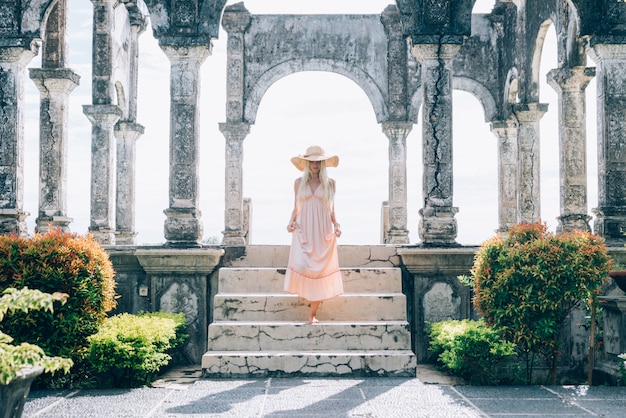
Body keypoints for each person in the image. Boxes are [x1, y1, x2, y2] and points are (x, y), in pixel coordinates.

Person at [284, 145, 344, 324]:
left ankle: (312, 314)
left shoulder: (330, 183)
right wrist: (290, 222)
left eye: (318, 162)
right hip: (304, 228)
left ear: (323, 164)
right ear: (307, 164)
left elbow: (331, 208)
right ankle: (311, 304)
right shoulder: (298, 183)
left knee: (320, 270)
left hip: (323, 228)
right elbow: (296, 206)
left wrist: (337, 225)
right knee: (304, 266)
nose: (315, 165)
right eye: (311, 162)